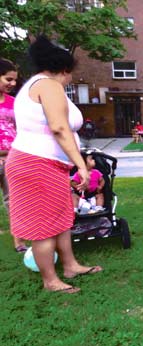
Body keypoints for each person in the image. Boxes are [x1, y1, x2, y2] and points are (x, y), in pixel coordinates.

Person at [5, 36, 103, 293]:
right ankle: (50, 280)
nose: (71, 79)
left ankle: (70, 265)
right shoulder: (49, 86)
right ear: (64, 69)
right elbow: (59, 128)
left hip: (46, 164)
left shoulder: (34, 85)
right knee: (42, 225)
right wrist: (80, 164)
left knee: (61, 219)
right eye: (71, 73)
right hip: (36, 165)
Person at [0, 58, 27, 252]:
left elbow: (21, 128)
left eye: (14, 80)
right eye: (8, 79)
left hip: (11, 157)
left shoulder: (14, 102)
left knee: (14, 200)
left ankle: (19, 243)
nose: (13, 84)